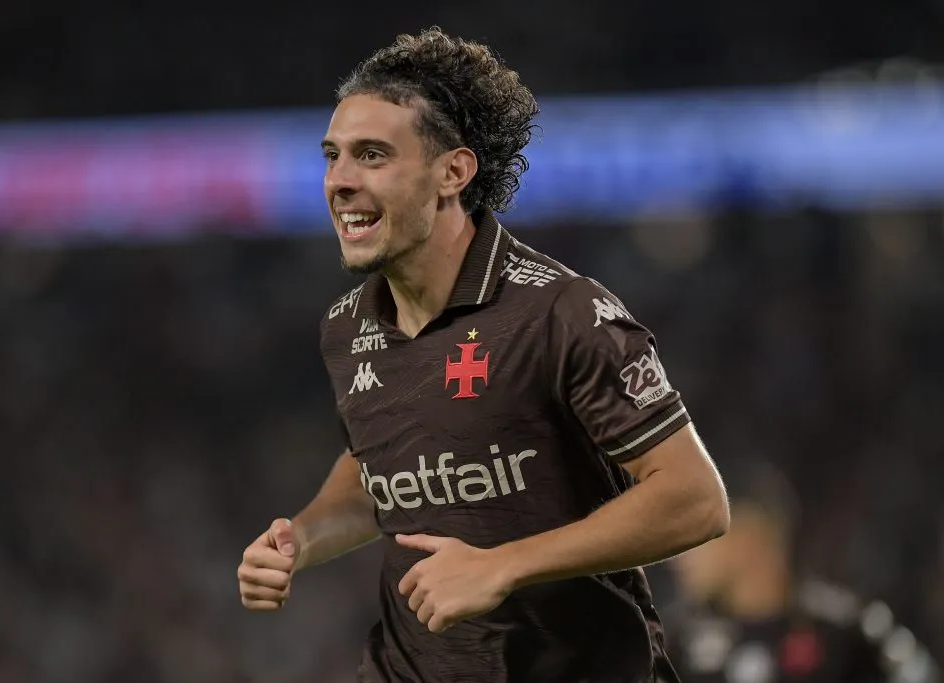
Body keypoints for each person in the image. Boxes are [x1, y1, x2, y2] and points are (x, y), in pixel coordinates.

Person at [237, 27, 730, 683]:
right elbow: (374, 467)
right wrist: (300, 538)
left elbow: (695, 499)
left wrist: (503, 564)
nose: (339, 181)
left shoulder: (560, 314)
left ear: (453, 172)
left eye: (372, 156)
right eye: (333, 156)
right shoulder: (346, 326)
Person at [666, 462, 940, 683]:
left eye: (694, 531)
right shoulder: (674, 646)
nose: (678, 554)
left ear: (747, 536)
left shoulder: (849, 634)